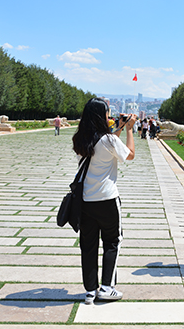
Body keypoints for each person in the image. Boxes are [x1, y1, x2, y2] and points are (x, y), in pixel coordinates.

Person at [72, 97, 136, 304]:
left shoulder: (80, 139)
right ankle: (107, 287)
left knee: (88, 246)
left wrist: (116, 129)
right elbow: (130, 155)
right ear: (102, 115)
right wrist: (128, 130)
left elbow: (103, 144)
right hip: (107, 200)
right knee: (112, 242)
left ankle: (90, 290)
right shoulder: (109, 141)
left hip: (85, 201)